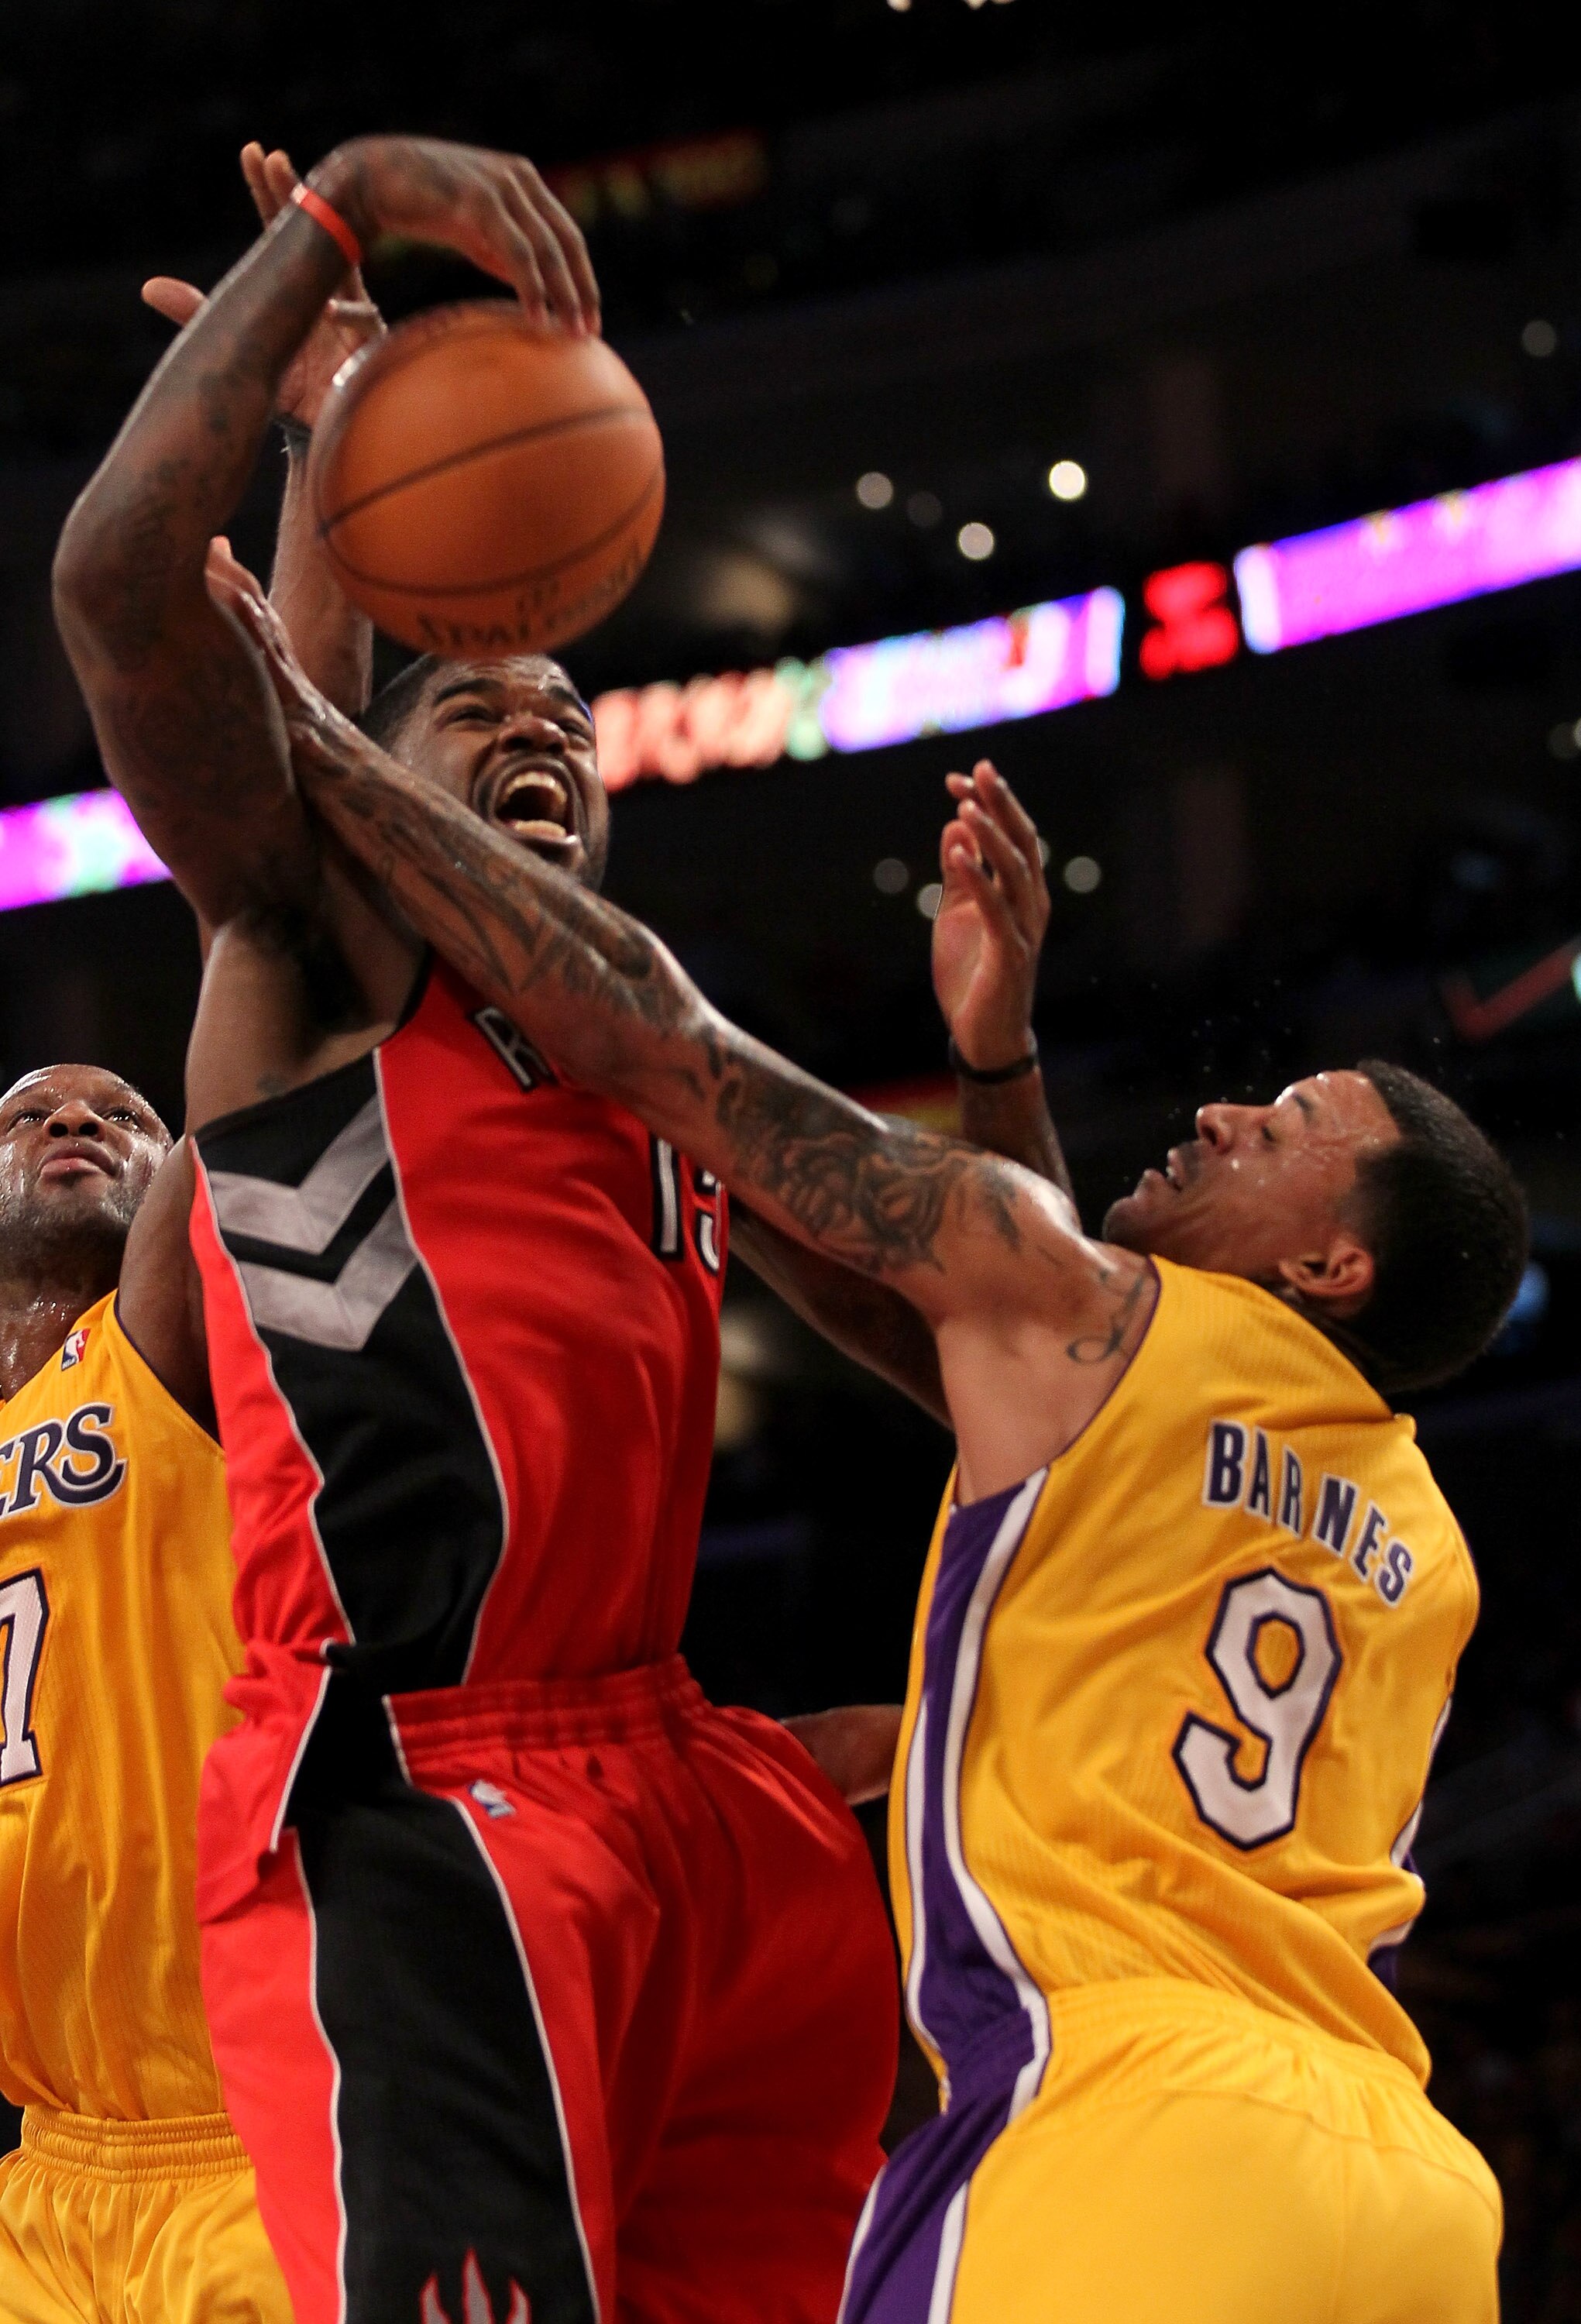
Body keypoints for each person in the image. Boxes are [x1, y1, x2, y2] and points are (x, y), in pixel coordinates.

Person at [235, 579, 1529, 2324]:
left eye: (1284, 1128)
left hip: (1123, 2119)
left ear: (1326, 1264)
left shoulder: (1098, 1318)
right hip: (1402, 2178)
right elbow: (992, 1355)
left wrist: (311, 748)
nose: (1229, 1107)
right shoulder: (1414, 1529)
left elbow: (661, 1041)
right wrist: (990, 1060)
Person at [54, 136, 900, 2324]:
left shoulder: (654, 1052)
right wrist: (325, 247)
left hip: (668, 1774)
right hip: (419, 1781)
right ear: (361, 785)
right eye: (480, 714)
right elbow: (129, 594)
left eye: (571, 723)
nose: (544, 731)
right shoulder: (317, 963)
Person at [0, 1065, 292, 2324]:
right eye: (29, 1115)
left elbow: (246, 1088)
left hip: (245, 2140)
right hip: (45, 2162)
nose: (74, 1124)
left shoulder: (161, 1344)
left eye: (122, 1117)